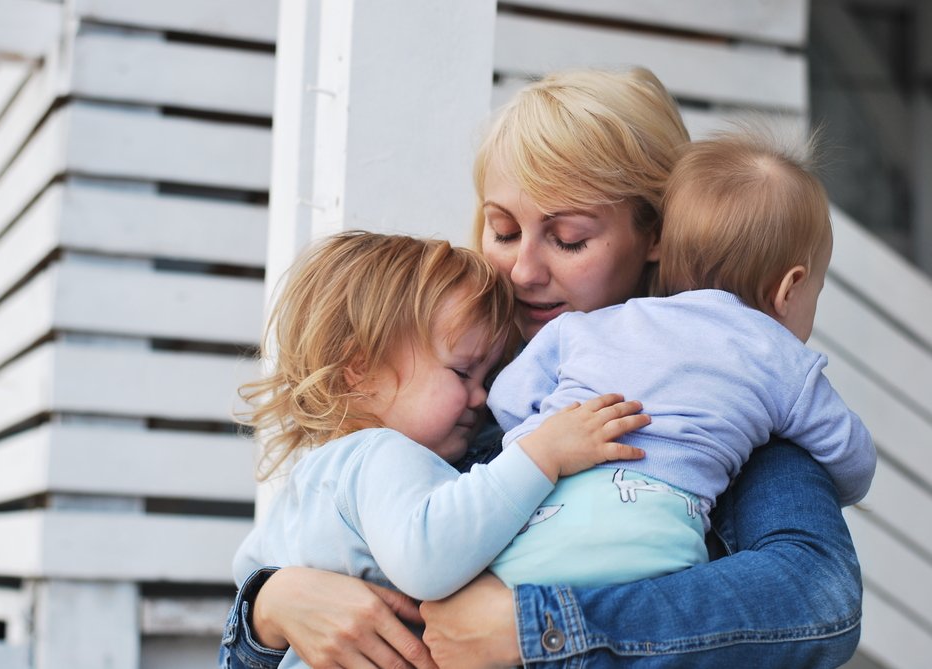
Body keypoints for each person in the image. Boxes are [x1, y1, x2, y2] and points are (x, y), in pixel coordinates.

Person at [220, 68, 865, 668]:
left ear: (657, 236)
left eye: (569, 239)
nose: (524, 272)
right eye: (503, 232)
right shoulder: (449, 391)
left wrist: (540, 629)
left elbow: (819, 597)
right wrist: (273, 607)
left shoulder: (721, 399)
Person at [226, 231, 649, 668]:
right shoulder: (384, 453)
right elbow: (429, 558)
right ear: (360, 369)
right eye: (463, 371)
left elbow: (249, 575)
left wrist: (271, 599)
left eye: (487, 377)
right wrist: (544, 454)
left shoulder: (313, 478)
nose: (481, 397)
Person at [486, 131, 877, 589]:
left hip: (527, 529)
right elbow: (852, 456)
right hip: (655, 551)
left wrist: (545, 438)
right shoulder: (782, 360)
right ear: (789, 289)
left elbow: (508, 397)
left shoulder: (588, 325)